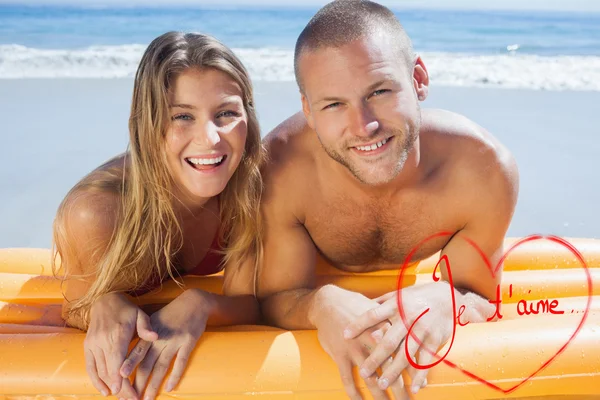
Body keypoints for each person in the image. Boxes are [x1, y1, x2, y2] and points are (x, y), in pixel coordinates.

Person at [256, 1, 518, 399]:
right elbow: (270, 298)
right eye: (333, 104)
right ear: (308, 110)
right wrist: (318, 304)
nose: (365, 126)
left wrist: (447, 297)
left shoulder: (482, 172)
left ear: (418, 79)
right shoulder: (276, 172)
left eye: (379, 91)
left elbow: (478, 292)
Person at [51, 31, 264, 400]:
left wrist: (202, 303)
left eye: (226, 113)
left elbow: (251, 302)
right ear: (147, 125)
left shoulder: (250, 188)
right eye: (182, 116)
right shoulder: (97, 212)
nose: (210, 138)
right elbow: (76, 308)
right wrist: (103, 302)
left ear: (248, 114)